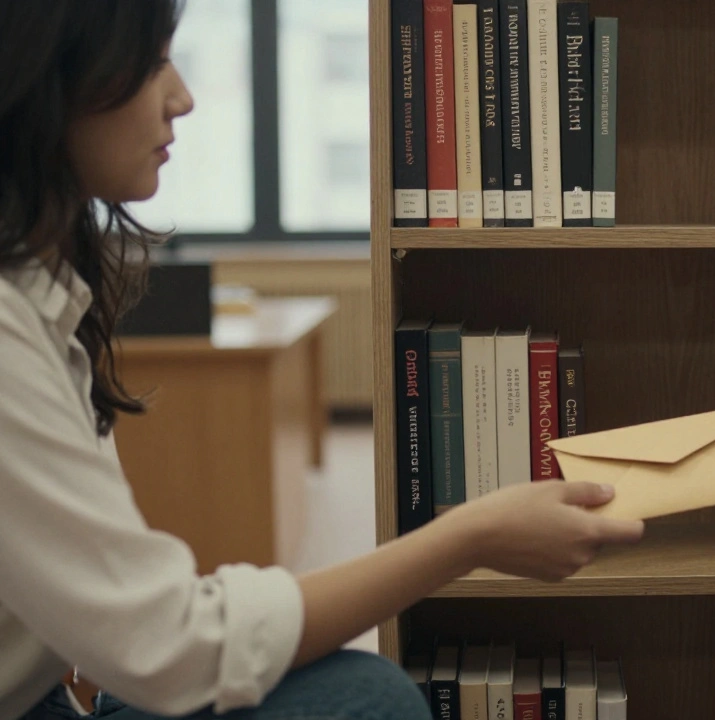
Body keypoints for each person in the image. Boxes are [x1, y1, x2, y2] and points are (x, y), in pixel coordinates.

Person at [0, 3, 645, 719]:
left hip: (54, 685)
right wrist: (471, 537)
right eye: (152, 64)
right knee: (370, 701)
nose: (182, 98)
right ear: (48, 78)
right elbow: (170, 644)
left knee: (357, 689)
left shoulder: (45, 295)